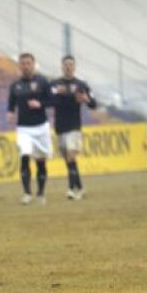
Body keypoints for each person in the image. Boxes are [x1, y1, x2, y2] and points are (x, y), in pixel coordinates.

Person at [7, 52, 53, 205]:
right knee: (24, 156)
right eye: (23, 63)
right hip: (24, 128)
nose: (26, 66)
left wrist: (40, 104)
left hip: (41, 127)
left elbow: (52, 101)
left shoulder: (42, 82)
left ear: (33, 65)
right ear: (19, 66)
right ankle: (27, 193)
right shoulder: (15, 86)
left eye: (28, 63)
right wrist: (10, 113)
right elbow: (11, 103)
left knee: (41, 161)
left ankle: (40, 193)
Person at [50, 55, 97, 200]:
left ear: (74, 67)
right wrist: (57, 94)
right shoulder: (55, 84)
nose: (68, 67)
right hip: (60, 126)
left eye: (71, 64)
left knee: (71, 156)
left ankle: (71, 189)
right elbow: (48, 101)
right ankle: (80, 188)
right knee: (68, 160)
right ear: (62, 66)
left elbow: (94, 104)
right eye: (66, 65)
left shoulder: (81, 85)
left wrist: (86, 99)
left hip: (74, 126)